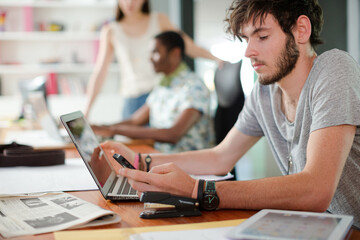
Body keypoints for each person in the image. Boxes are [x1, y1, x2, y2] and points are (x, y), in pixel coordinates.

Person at [101, 0, 360, 229]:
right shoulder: (264, 92)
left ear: (300, 30)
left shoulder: (335, 70)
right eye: (246, 39)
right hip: (320, 226)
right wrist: (139, 161)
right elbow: (220, 157)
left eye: (262, 36)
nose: (248, 51)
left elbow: (315, 190)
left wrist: (198, 190)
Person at [84, 0, 222, 120]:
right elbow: (100, 72)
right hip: (131, 100)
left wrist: (215, 58)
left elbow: (186, 45)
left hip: (159, 96)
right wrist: (87, 110)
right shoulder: (110, 30)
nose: (129, 3)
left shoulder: (159, 20)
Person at [92, 31, 214, 153]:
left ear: (175, 54)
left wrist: (115, 130)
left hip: (188, 164)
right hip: (161, 157)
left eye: (155, 52)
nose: (150, 58)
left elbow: (173, 134)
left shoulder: (194, 87)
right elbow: (135, 121)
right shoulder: (162, 85)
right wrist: (103, 127)